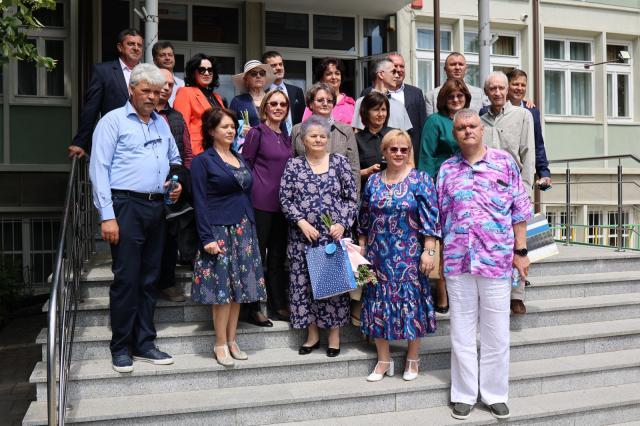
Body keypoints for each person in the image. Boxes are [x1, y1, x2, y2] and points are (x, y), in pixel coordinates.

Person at [437, 109, 531, 420]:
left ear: (482, 129)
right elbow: (439, 218)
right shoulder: (447, 170)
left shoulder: (504, 163)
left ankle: (494, 394)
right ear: (455, 134)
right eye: (461, 128)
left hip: (496, 259)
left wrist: (521, 251)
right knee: (461, 332)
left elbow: (519, 210)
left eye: (472, 125)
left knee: (496, 332)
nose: (467, 131)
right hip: (458, 261)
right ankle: (463, 394)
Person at [89, 63, 183, 373]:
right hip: (125, 205)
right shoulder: (112, 121)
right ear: (132, 89)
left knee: (149, 279)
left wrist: (175, 182)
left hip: (156, 208)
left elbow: (174, 160)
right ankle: (121, 346)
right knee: (127, 279)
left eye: (157, 92)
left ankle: (144, 342)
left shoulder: (161, 124)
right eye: (146, 91)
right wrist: (107, 216)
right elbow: (98, 170)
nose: (152, 97)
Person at [359, 130, 439, 382]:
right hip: (377, 254)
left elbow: (431, 219)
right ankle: (383, 360)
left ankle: (413, 358)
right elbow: (363, 218)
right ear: (384, 151)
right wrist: (362, 247)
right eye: (393, 149)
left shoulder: (420, 180)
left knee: (411, 304)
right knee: (377, 303)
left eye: (404, 149)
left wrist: (429, 250)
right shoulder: (372, 181)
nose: (399, 153)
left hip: (409, 256)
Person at [190, 108, 267, 367]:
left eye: (233, 126)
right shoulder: (203, 161)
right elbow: (199, 202)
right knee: (222, 291)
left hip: (244, 228)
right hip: (219, 229)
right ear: (211, 131)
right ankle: (220, 342)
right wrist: (206, 237)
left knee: (239, 290)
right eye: (225, 126)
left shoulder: (239, 157)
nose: (231, 130)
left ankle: (233, 340)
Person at [279, 115, 358, 358]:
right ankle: (312, 335)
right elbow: (285, 198)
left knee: (333, 289)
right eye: (313, 136)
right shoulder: (294, 165)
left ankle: (333, 337)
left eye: (322, 136)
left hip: (331, 240)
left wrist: (342, 223)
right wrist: (301, 222)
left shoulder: (340, 163)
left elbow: (351, 198)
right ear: (303, 139)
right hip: (303, 239)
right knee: (303, 287)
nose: (318, 139)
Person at [480, 71, 535, 315]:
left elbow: (528, 153)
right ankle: (495, 292)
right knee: (494, 243)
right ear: (487, 92)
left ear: (507, 90)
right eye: (493, 88)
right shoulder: (480, 120)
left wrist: (526, 190)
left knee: (519, 243)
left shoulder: (523, 115)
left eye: (502, 88)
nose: (498, 92)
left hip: (514, 189)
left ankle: (517, 294)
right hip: (487, 193)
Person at [418, 78, 471, 314]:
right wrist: (427, 190)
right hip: (441, 185)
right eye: (451, 97)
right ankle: (441, 294)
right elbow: (427, 156)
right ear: (444, 100)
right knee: (441, 240)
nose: (456, 100)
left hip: (467, 187)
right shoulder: (435, 122)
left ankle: (463, 292)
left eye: (460, 96)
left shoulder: (469, 121)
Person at [241, 89, 293, 325]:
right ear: (265, 108)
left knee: (277, 258)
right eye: (273, 103)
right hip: (260, 204)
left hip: (283, 207)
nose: (278, 107)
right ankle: (252, 308)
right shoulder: (256, 133)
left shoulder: (286, 136)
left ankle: (277, 304)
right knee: (256, 258)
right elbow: (245, 167)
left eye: (283, 104)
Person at [69, 28, 143, 157]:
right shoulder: (103, 71)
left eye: (139, 45)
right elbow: (91, 108)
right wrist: (79, 142)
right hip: (114, 140)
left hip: (143, 139)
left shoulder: (148, 72)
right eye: (131, 44)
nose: (136, 48)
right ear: (120, 47)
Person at [155, 68, 193, 303]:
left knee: (171, 235)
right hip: (147, 185)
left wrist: (184, 177)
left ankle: (167, 282)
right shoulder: (143, 115)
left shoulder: (177, 116)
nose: (167, 88)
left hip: (174, 181)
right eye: (163, 83)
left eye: (171, 84)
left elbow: (186, 150)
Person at [480, 69, 552, 189]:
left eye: (523, 85)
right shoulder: (483, 114)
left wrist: (543, 173)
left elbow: (535, 146)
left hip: (514, 180)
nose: (519, 88)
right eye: (515, 84)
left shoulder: (529, 113)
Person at [291, 83, 360, 194]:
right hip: (305, 198)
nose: (325, 104)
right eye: (320, 100)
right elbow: (292, 167)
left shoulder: (346, 130)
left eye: (329, 101)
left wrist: (352, 203)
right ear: (311, 104)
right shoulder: (297, 130)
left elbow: (354, 169)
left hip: (338, 199)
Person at [361, 53, 426, 163]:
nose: (399, 70)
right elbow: (361, 127)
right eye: (395, 67)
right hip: (376, 155)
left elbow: (421, 127)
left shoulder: (416, 93)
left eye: (402, 66)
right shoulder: (367, 93)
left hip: (407, 156)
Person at [174, 53, 226, 156]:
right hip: (197, 152)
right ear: (194, 72)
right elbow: (181, 128)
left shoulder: (217, 97)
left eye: (210, 70)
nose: (206, 73)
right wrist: (187, 157)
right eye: (202, 70)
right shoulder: (185, 92)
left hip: (219, 150)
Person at [352, 58, 412, 134]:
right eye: (393, 72)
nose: (397, 75)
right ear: (381, 74)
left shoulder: (399, 105)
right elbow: (357, 133)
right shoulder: (361, 102)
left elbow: (406, 137)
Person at [425, 52, 488, 118]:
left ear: (466, 69)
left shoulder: (479, 93)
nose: (457, 67)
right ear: (445, 69)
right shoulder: (431, 96)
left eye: (460, 64)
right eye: (453, 64)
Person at [302, 57, 356, 125]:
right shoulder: (314, 102)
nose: (334, 77)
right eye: (329, 74)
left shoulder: (351, 104)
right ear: (321, 78)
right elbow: (305, 128)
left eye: (337, 73)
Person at [262, 51, 306, 133]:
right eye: (273, 65)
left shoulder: (297, 91)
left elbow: (302, 119)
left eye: (280, 64)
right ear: (265, 70)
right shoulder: (262, 93)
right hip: (271, 139)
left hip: (295, 140)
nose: (279, 68)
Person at [355, 91, 392, 190]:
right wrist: (367, 171)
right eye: (376, 110)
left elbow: (409, 165)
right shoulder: (356, 140)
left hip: (395, 192)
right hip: (367, 193)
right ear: (366, 112)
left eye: (383, 110)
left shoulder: (394, 135)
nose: (380, 114)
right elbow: (350, 173)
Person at [229, 60, 276, 130]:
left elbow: (282, 127)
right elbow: (231, 126)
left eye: (262, 73)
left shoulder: (274, 99)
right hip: (249, 140)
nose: (258, 76)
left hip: (273, 140)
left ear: (265, 78)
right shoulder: (238, 101)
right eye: (254, 74)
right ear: (246, 79)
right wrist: (240, 130)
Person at [152, 41, 185, 106]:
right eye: (162, 55)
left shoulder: (182, 84)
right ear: (154, 60)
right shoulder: (150, 81)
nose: (167, 58)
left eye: (170, 55)